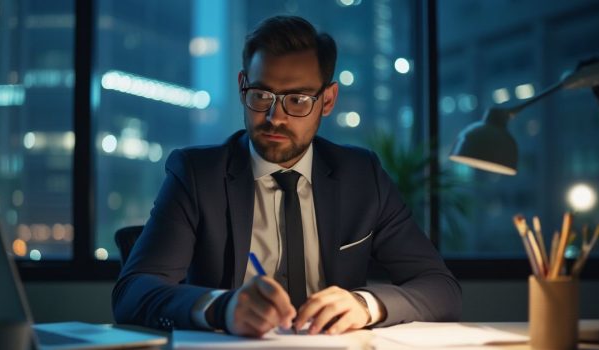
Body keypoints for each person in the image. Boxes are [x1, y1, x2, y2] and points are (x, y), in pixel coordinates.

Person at [112, 15, 461, 337]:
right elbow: (133, 292)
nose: (275, 117)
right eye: (261, 95)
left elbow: (440, 287)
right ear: (242, 87)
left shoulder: (361, 176)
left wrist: (365, 305)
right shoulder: (196, 174)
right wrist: (223, 307)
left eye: (297, 99)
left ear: (327, 100)